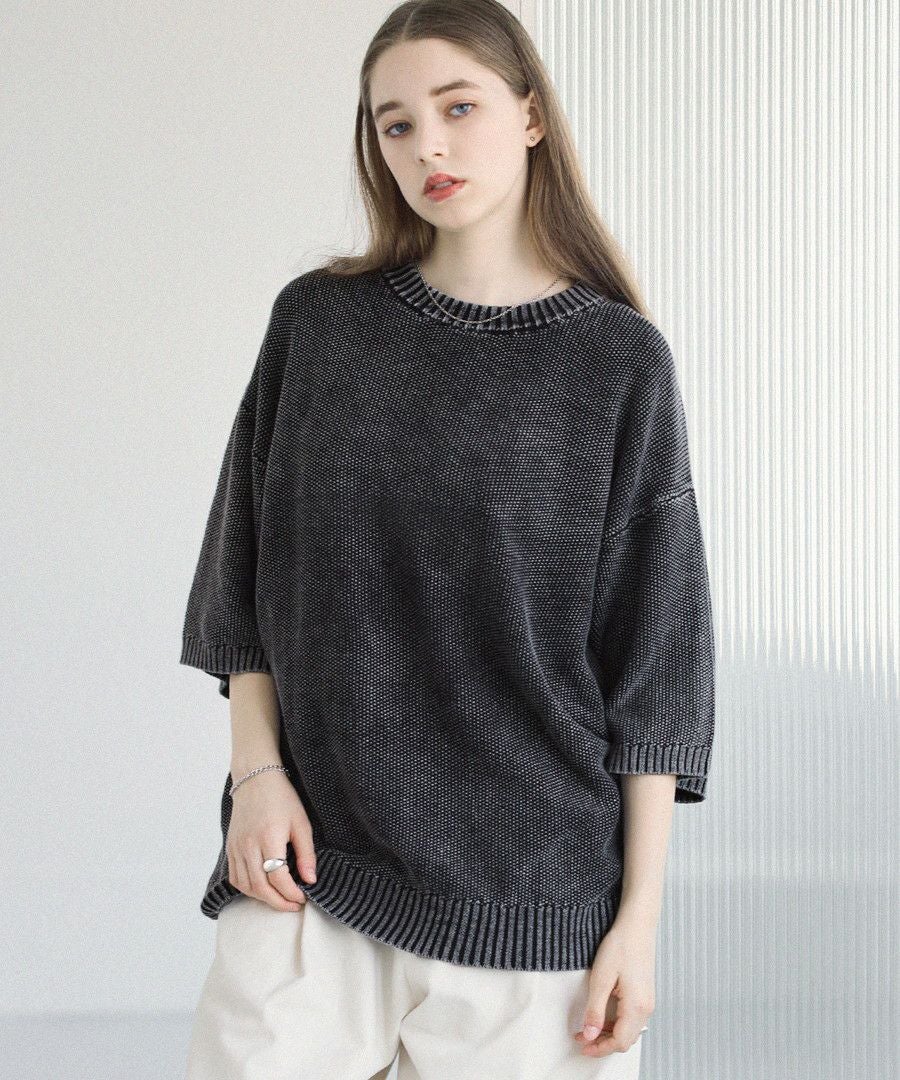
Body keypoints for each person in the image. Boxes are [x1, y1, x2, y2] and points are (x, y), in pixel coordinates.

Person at [180, 1, 716, 1077]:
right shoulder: (318, 326)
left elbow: (657, 675)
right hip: (312, 869)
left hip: (533, 908)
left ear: (530, 116)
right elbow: (243, 573)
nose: (427, 144)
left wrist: (638, 924)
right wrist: (256, 775)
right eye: (396, 123)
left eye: (458, 107)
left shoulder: (619, 365)